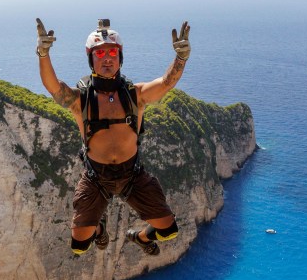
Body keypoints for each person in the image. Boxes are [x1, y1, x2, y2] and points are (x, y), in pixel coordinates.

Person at [36, 17, 191, 256]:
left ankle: (139, 237)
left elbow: (166, 83)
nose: (106, 58)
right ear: (91, 59)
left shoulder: (135, 95)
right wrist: (43, 54)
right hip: (96, 176)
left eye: (111, 52)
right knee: (79, 246)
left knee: (169, 230)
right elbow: (54, 87)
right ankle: (99, 228)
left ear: (120, 57)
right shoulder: (82, 100)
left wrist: (180, 58)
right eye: (99, 54)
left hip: (132, 174)